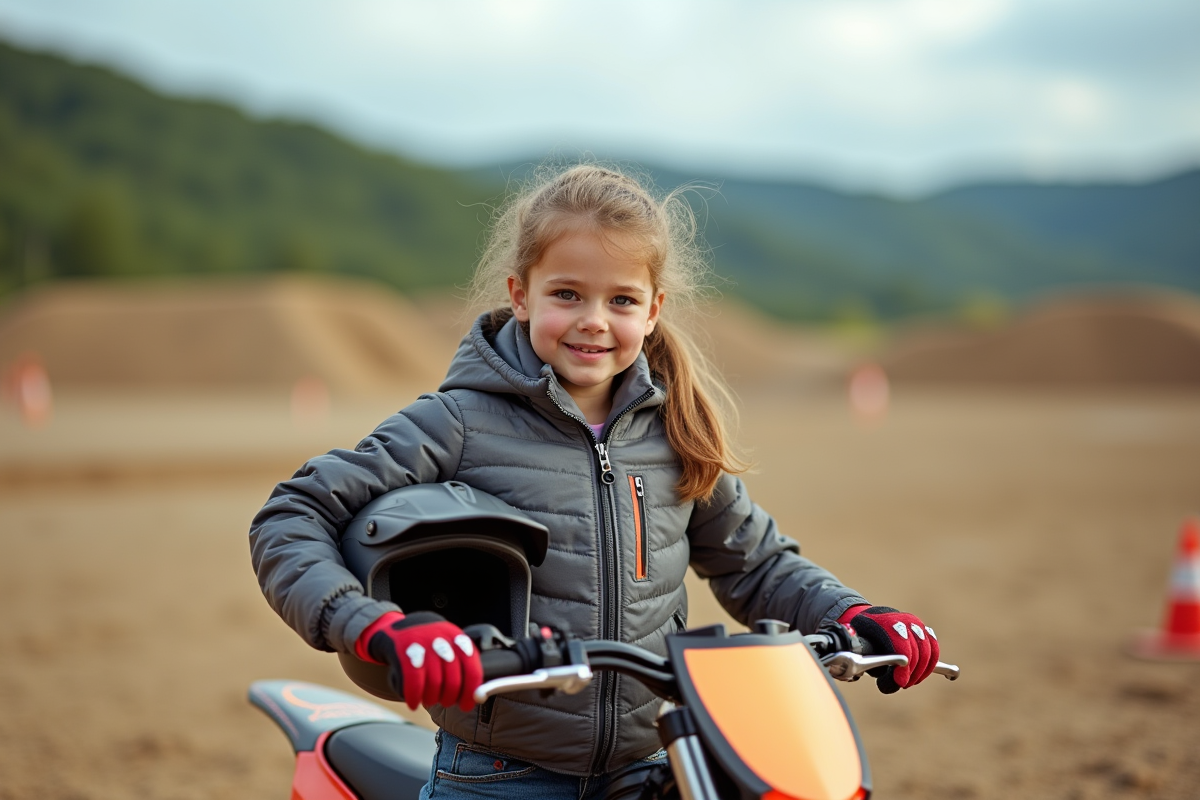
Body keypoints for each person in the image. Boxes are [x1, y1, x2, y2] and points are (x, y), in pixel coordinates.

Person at [249, 163, 940, 798]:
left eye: (621, 300)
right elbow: (290, 516)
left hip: (652, 764)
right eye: (567, 294)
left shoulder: (677, 432)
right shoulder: (455, 422)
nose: (593, 321)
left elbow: (755, 563)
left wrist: (850, 614)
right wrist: (373, 625)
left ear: (653, 310)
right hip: (498, 773)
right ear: (520, 295)